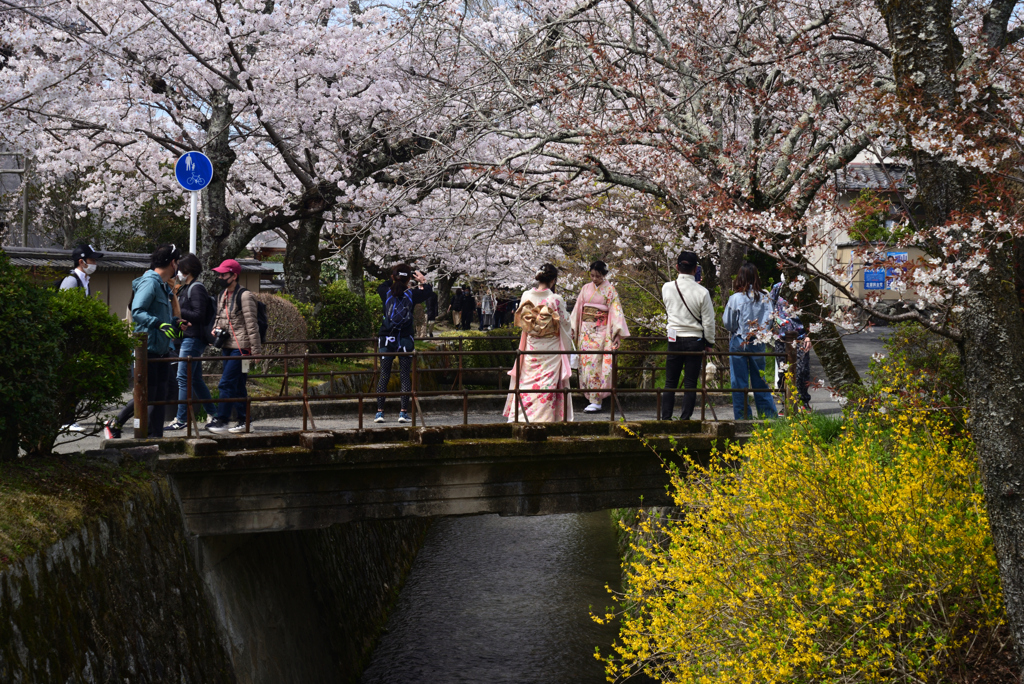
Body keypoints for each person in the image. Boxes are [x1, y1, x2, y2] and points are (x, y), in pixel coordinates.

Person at [108, 244, 183, 438]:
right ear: (172, 262)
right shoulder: (150, 283)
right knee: (148, 395)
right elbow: (138, 310)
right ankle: (118, 425)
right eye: (178, 262)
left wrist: (176, 323)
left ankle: (155, 437)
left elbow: (160, 317)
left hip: (161, 349)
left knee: (159, 396)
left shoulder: (162, 285)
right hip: (147, 349)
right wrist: (158, 324)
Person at [503, 264, 575, 423]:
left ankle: (522, 417)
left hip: (531, 347)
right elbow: (565, 324)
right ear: (554, 280)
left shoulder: (525, 296)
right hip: (550, 349)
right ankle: (545, 420)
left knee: (527, 383)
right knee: (546, 386)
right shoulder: (556, 299)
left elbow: (523, 322)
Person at [205, 259, 263, 433]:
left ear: (234, 275)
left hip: (242, 347)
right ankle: (245, 421)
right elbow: (219, 317)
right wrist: (216, 328)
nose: (220, 277)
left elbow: (252, 325)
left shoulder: (245, 296)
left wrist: (257, 352)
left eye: (224, 274)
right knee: (237, 385)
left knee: (226, 384)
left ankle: (222, 420)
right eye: (219, 274)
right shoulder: (223, 294)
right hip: (228, 345)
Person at [375, 263, 433, 423]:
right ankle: (403, 412)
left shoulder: (384, 291)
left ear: (393, 277)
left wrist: (395, 278)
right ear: (409, 278)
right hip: (406, 338)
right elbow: (428, 291)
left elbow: (384, 284)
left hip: (386, 337)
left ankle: (379, 413)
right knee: (405, 374)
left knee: (384, 374)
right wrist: (421, 280)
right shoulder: (412, 294)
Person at [661, 251, 716, 421]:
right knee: (691, 382)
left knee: (670, 381)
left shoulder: (667, 287)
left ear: (677, 267)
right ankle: (685, 419)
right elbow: (708, 321)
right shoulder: (702, 292)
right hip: (694, 339)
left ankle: (666, 417)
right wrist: (710, 343)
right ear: (695, 269)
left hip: (674, 337)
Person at [570, 260, 631, 413]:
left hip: (601, 333)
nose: (594, 279)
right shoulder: (585, 289)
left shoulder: (610, 290)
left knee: (595, 365)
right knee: (585, 365)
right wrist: (572, 328)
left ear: (604, 275)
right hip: (585, 332)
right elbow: (578, 309)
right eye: (592, 275)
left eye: (598, 276)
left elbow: (616, 312)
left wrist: (616, 333)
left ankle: (596, 400)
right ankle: (590, 397)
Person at [165, 254, 217, 430]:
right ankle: (214, 414)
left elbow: (199, 315)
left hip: (193, 338)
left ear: (187, 270)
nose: (178, 272)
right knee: (195, 380)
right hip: (189, 337)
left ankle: (181, 419)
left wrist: (180, 312)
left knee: (182, 377)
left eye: (180, 269)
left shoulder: (196, 288)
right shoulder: (186, 288)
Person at [59, 244, 105, 432]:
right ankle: (66, 419)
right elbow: (64, 313)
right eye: (92, 260)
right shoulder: (71, 281)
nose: (95, 263)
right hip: (69, 342)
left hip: (78, 342)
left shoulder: (85, 281)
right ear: (82, 261)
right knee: (69, 381)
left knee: (75, 381)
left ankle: (68, 418)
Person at [723, 262, 779, 419]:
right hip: (758, 341)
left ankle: (742, 417)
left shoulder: (735, 299)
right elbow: (770, 320)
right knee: (760, 380)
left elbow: (728, 323)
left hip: (739, 340)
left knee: (739, 382)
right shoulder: (765, 297)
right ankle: (768, 417)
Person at [769, 282, 813, 411]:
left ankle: (803, 401)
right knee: (783, 372)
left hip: (800, 336)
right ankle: (786, 404)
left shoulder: (804, 286)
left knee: (802, 370)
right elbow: (771, 308)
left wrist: (809, 335)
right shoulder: (777, 288)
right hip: (781, 336)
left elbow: (811, 313)